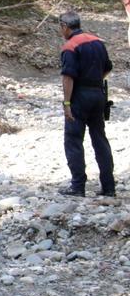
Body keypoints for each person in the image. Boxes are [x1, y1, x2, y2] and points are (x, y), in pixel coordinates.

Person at [57, 12, 115, 197]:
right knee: (100, 139)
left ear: (65, 26)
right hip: (98, 95)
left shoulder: (70, 47)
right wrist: (96, 81)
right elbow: (108, 67)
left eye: (61, 28)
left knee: (73, 140)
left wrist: (67, 103)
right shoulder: (97, 41)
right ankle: (109, 187)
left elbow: (68, 77)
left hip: (79, 96)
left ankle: (78, 186)